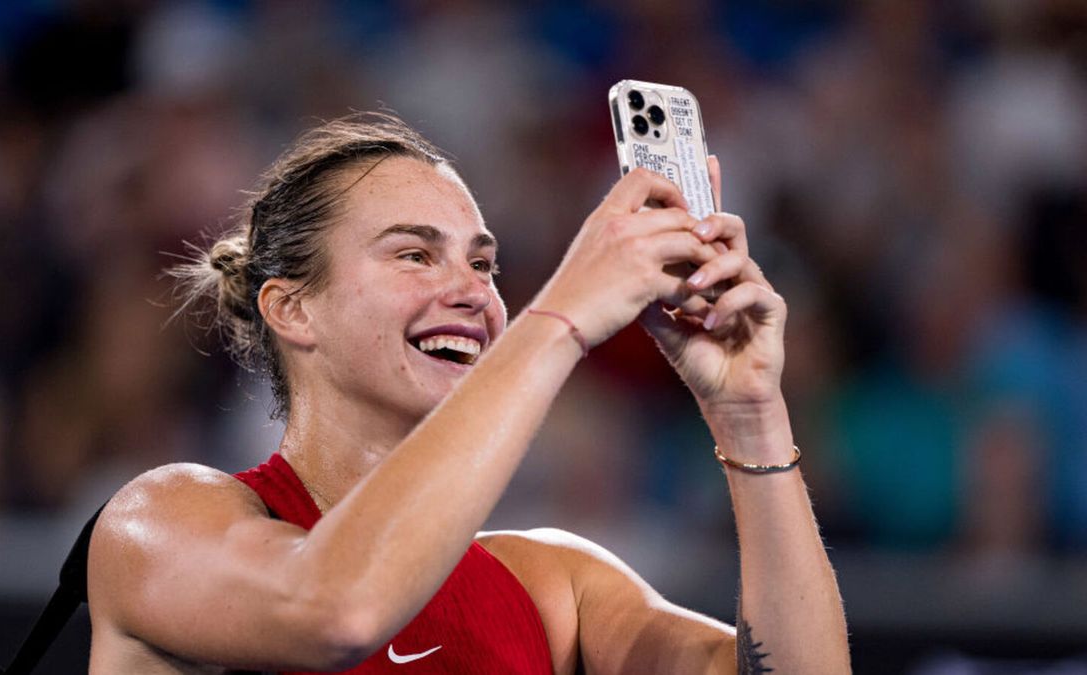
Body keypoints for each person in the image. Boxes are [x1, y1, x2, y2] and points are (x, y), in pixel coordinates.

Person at [86, 113, 850, 674]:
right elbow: (337, 608)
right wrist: (563, 316)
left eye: (483, 265)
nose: (472, 291)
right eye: (416, 254)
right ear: (291, 308)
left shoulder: (552, 584)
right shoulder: (161, 520)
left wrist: (749, 415)